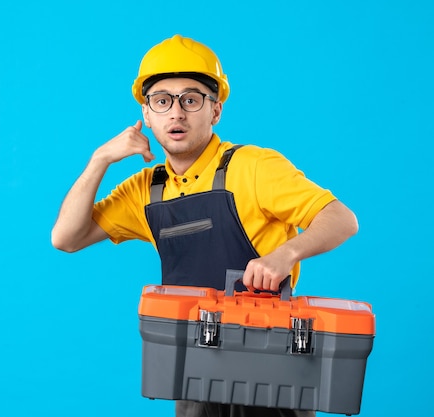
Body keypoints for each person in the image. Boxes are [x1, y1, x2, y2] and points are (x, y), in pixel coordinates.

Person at [51, 34, 358, 417]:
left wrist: (285, 254)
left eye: (191, 99)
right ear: (147, 115)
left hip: (272, 369)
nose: (176, 113)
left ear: (215, 110)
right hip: (194, 374)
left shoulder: (253, 167)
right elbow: (66, 237)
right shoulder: (145, 190)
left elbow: (342, 218)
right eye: (162, 101)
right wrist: (99, 160)